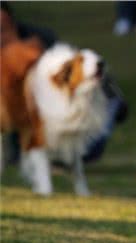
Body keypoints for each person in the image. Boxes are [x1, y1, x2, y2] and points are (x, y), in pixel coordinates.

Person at [2, 3, 128, 164]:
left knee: (87, 149)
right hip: (32, 121)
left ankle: (113, 102)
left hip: (69, 113)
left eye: (3, 27)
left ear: (12, 22)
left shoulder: (40, 39)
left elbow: (72, 69)